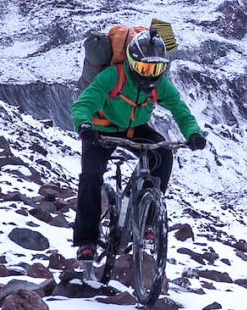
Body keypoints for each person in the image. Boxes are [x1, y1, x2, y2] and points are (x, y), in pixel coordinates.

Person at [70, 30, 205, 260]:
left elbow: (180, 110)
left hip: (135, 129)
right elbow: (84, 103)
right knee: (91, 176)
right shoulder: (112, 76)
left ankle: (147, 220)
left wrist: (193, 133)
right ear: (132, 63)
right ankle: (87, 241)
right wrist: (84, 125)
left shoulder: (160, 85)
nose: (150, 75)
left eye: (156, 69)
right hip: (100, 129)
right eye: (144, 68)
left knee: (162, 154)